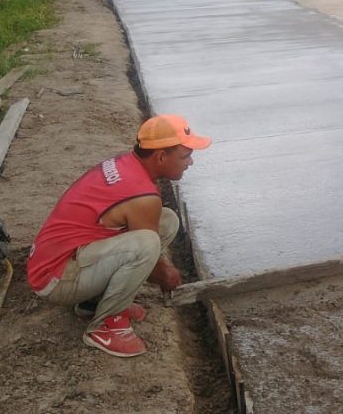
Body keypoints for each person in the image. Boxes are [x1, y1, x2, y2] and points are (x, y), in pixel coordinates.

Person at [27, 114, 211, 357]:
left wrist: (162, 267)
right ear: (161, 156)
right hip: (56, 279)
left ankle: (92, 302)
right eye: (185, 156)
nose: (190, 163)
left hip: (62, 258)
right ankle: (105, 326)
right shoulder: (142, 196)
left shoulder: (127, 165)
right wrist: (166, 274)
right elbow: (150, 257)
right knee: (146, 243)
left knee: (166, 220)